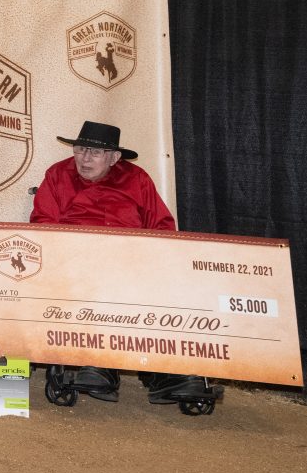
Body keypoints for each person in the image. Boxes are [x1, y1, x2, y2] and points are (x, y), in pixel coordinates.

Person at [30, 121, 193, 402]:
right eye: (80, 150)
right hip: (75, 261)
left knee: (176, 281)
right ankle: (98, 361)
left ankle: (170, 370)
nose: (84, 159)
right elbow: (43, 225)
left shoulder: (137, 179)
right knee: (94, 280)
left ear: (115, 158)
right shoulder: (57, 175)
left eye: (94, 153)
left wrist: (152, 260)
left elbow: (162, 227)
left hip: (131, 262)